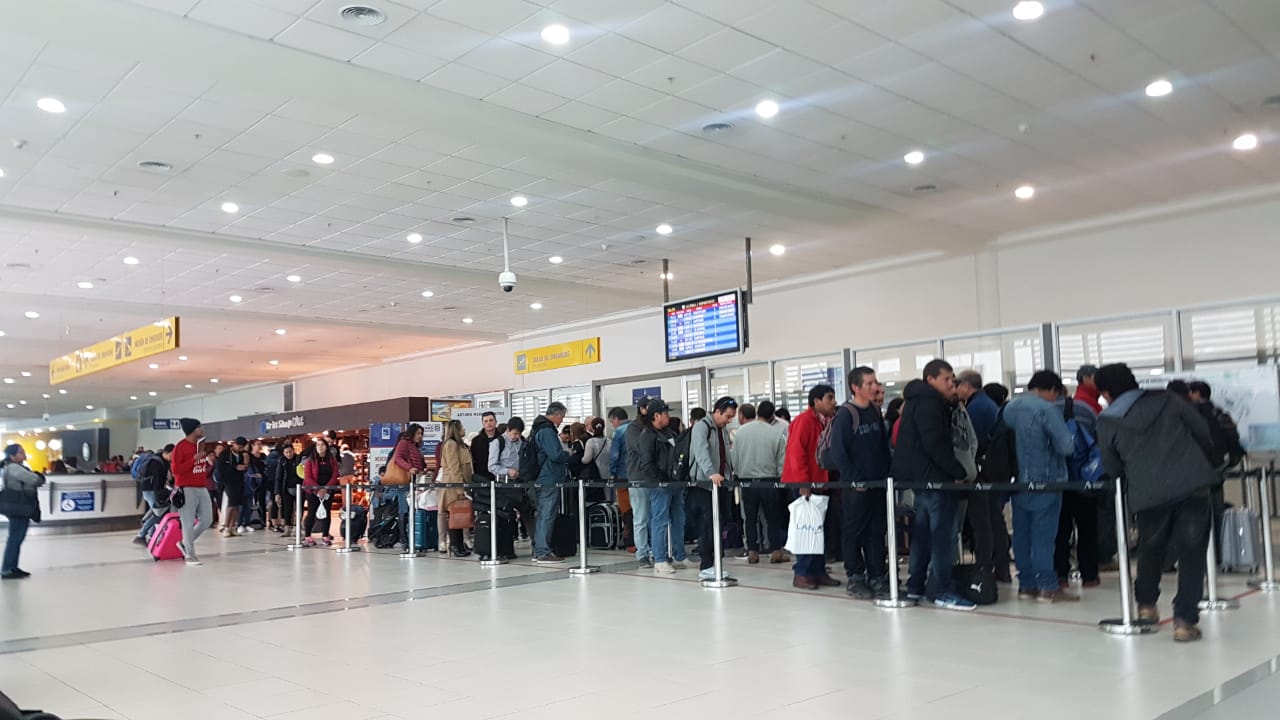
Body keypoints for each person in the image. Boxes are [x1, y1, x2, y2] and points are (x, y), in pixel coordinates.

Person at [1095, 363, 1218, 642]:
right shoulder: (1168, 400)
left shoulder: (1107, 421)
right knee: (1192, 553)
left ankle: (1147, 606)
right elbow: (1201, 430)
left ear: (1105, 392)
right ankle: (1184, 621)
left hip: (1147, 494)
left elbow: (1112, 466)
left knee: (1151, 550)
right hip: (1191, 485)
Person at [894, 360, 974, 610]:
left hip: (921, 480)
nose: (952, 383)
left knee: (922, 536)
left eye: (953, 379)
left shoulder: (915, 401)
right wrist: (957, 471)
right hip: (936, 480)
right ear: (931, 380)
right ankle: (942, 590)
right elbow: (934, 443)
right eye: (947, 379)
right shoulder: (931, 404)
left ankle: (916, 586)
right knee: (941, 538)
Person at [1003, 371, 1078, 603]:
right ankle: (1047, 585)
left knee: (1022, 534)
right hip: (1047, 480)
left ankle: (1026, 585)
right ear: (1052, 390)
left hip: (1018, 481)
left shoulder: (1010, 408)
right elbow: (1066, 446)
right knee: (1044, 536)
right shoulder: (1047, 410)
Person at [831, 368, 893, 599]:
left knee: (876, 532)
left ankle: (877, 576)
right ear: (855, 388)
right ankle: (855, 576)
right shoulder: (847, 414)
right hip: (856, 487)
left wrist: (887, 474)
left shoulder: (875, 411)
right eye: (868, 383)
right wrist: (853, 479)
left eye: (875, 382)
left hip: (877, 484)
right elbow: (839, 451)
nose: (874, 387)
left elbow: (882, 448)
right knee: (853, 532)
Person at [955, 370, 1012, 582]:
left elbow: (972, 443)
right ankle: (1001, 566)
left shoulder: (976, 408)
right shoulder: (987, 404)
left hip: (984, 473)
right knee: (994, 521)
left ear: (966, 386)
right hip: (994, 471)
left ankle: (985, 566)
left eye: (956, 384)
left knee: (984, 523)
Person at [782, 385, 838, 590]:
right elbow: (796, 454)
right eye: (829, 398)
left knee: (819, 529)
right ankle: (803, 572)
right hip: (805, 483)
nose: (833, 402)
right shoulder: (804, 421)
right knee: (806, 527)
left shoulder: (826, 422)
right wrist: (803, 483)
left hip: (821, 481)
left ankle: (818, 571)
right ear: (816, 401)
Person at [1187, 380, 1245, 565]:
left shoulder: (1189, 414)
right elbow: (1234, 441)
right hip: (1217, 470)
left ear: (1196, 394)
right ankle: (1219, 554)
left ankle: (1199, 556)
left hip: (1194, 472)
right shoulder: (1220, 413)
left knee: (1194, 514)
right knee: (1217, 511)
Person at [1054, 381, 1102, 589]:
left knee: (1060, 530)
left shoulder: (1047, 410)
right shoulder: (1086, 409)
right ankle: (1090, 576)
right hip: (1085, 479)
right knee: (1088, 529)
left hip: (1057, 481)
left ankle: (1060, 575)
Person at [632, 399, 688, 575]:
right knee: (660, 520)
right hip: (659, 486)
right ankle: (660, 559)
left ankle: (679, 555)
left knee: (679, 518)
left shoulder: (670, 432)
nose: (668, 416)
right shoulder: (647, 435)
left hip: (675, 483)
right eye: (665, 413)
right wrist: (660, 479)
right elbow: (647, 463)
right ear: (656, 416)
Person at [731, 403, 788, 565]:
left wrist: (739, 473)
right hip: (770, 481)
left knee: (750, 518)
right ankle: (776, 550)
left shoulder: (741, 432)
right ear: (772, 416)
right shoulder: (775, 434)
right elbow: (781, 462)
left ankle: (752, 552)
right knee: (772, 517)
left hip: (746, 481)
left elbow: (734, 458)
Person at [689, 396, 738, 581]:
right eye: (727, 416)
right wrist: (711, 472)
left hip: (720, 484)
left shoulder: (722, 429)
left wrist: (729, 476)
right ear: (717, 412)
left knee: (718, 523)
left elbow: (725, 455)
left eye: (732, 416)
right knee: (707, 524)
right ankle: (706, 564)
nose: (729, 420)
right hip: (705, 485)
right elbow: (700, 451)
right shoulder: (702, 426)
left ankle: (715, 562)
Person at [531, 402, 571, 564]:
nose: (561, 421)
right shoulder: (547, 431)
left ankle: (539, 548)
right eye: (561, 417)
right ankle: (543, 551)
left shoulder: (538, 428)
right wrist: (567, 455)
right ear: (556, 414)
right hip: (548, 477)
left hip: (542, 477)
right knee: (547, 515)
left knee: (543, 515)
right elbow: (555, 455)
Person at [1, 444, 46, 579]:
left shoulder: (11, 467)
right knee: (15, 538)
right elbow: (34, 480)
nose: (24, 454)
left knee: (16, 538)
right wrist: (39, 476)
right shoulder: (14, 468)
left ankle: (12, 567)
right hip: (19, 507)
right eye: (20, 452)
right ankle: (8, 569)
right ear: (12, 456)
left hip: (17, 507)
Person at [171, 418, 212, 566]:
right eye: (199, 427)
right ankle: (190, 554)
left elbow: (201, 465)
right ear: (192, 430)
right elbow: (175, 470)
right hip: (186, 487)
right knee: (187, 522)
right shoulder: (180, 447)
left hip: (202, 486)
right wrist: (193, 460)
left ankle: (184, 543)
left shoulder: (200, 445)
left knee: (207, 519)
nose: (202, 429)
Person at [438, 420, 474, 558]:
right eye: (462, 427)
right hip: (453, 485)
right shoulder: (451, 444)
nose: (464, 429)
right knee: (455, 514)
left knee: (460, 514)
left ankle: (459, 544)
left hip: (461, 483)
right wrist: (459, 489)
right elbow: (454, 468)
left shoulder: (461, 445)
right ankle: (454, 544)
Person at [388, 424, 425, 548]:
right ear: (412, 433)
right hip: (405, 481)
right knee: (405, 510)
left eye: (421, 433)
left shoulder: (415, 446)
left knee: (412, 510)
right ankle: (405, 540)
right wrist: (409, 468)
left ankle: (411, 538)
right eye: (418, 433)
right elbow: (398, 458)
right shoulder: (404, 443)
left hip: (415, 481)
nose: (420, 436)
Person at [132, 445, 173, 546]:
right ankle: (141, 535)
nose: (173, 457)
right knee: (158, 514)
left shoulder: (163, 461)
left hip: (151, 490)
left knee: (157, 513)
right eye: (173, 454)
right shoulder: (156, 462)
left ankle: (150, 535)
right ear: (167, 452)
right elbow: (156, 481)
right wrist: (159, 494)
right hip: (151, 491)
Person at [302, 437, 340, 547]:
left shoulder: (331, 460)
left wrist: (325, 489)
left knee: (326, 512)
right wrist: (318, 489)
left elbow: (334, 475)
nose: (320, 447)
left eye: (322, 445)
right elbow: (307, 477)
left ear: (326, 447)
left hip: (328, 490)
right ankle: (308, 535)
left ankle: (325, 535)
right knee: (311, 512)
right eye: (318, 445)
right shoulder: (310, 460)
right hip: (313, 491)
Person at [218, 437, 249, 538]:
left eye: (242, 447)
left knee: (237, 505)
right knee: (231, 504)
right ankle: (226, 527)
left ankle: (233, 527)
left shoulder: (241, 454)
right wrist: (235, 467)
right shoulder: (225, 454)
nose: (240, 449)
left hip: (239, 481)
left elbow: (244, 466)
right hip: (228, 481)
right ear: (234, 444)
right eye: (239, 447)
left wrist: (244, 467)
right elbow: (220, 467)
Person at [273, 443, 301, 533]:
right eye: (286, 452)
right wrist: (277, 493)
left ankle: (298, 527)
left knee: (299, 509)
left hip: (299, 488)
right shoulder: (281, 461)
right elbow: (278, 477)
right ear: (283, 453)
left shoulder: (298, 459)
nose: (289, 454)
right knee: (287, 509)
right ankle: (287, 529)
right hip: (286, 488)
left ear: (293, 451)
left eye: (290, 452)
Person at [471, 412, 500, 484]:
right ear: (482, 424)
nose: (489, 423)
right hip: (482, 478)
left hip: (500, 477)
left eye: (491, 420)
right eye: (486, 421)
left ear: (496, 422)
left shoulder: (502, 439)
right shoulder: (476, 441)